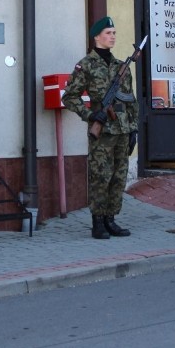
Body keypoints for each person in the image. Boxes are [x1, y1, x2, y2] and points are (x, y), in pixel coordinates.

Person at [62, 16, 138, 240]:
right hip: (102, 131)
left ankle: (111, 219)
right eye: (108, 33)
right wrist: (89, 114)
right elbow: (70, 97)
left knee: (118, 176)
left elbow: (130, 100)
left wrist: (133, 129)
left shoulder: (121, 67)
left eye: (114, 33)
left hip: (122, 130)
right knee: (100, 176)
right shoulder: (86, 65)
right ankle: (97, 222)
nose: (113, 36)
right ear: (97, 37)